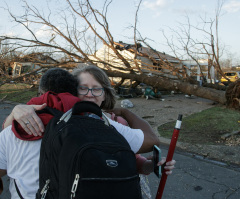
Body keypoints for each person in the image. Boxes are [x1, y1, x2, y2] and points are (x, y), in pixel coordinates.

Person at [0, 68, 174, 198]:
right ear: (73, 92)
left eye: (96, 89)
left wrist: (149, 165)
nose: (90, 95)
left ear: (105, 94)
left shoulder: (111, 123)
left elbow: (129, 160)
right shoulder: (105, 124)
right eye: (83, 88)